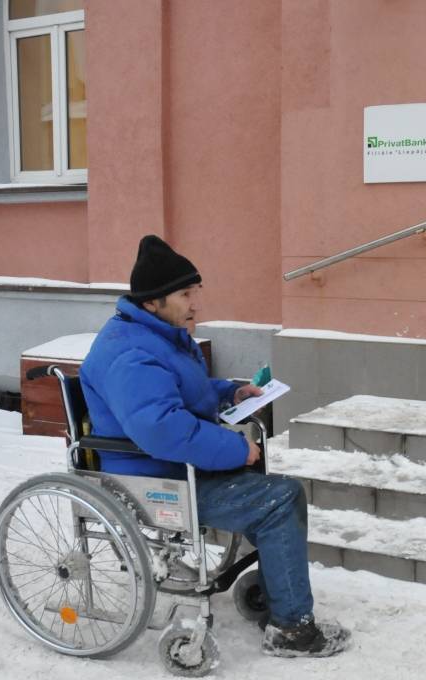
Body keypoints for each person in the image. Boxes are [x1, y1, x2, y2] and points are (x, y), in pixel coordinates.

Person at [80, 234, 350, 658]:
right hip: (156, 479)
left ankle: (282, 594)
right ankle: (292, 631)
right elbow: (162, 428)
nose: (194, 303)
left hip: (175, 468)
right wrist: (234, 450)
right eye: (185, 294)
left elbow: (180, 394)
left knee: (271, 492)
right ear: (152, 302)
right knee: (280, 498)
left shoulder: (155, 335)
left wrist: (229, 394)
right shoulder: (131, 354)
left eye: (195, 292)